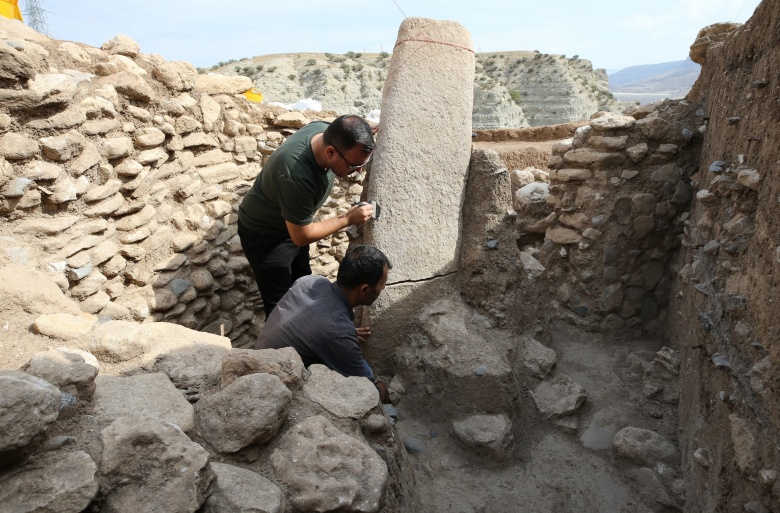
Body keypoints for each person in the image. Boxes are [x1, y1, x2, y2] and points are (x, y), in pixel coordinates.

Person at [238, 114, 376, 318]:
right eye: (354, 165)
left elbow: (346, 129)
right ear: (330, 152)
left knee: (302, 287)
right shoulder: (296, 174)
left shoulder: (325, 131)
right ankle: (282, 348)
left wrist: (364, 131)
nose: (360, 169)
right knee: (282, 308)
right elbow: (301, 236)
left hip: (291, 225)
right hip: (266, 236)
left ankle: (310, 333)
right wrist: (347, 218)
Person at [255, 245, 391, 403]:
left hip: (258, 359)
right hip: (269, 390)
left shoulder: (309, 282)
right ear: (364, 290)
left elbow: (316, 323)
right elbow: (366, 388)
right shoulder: (338, 332)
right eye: (382, 283)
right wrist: (380, 387)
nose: (384, 288)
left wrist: (342, 335)